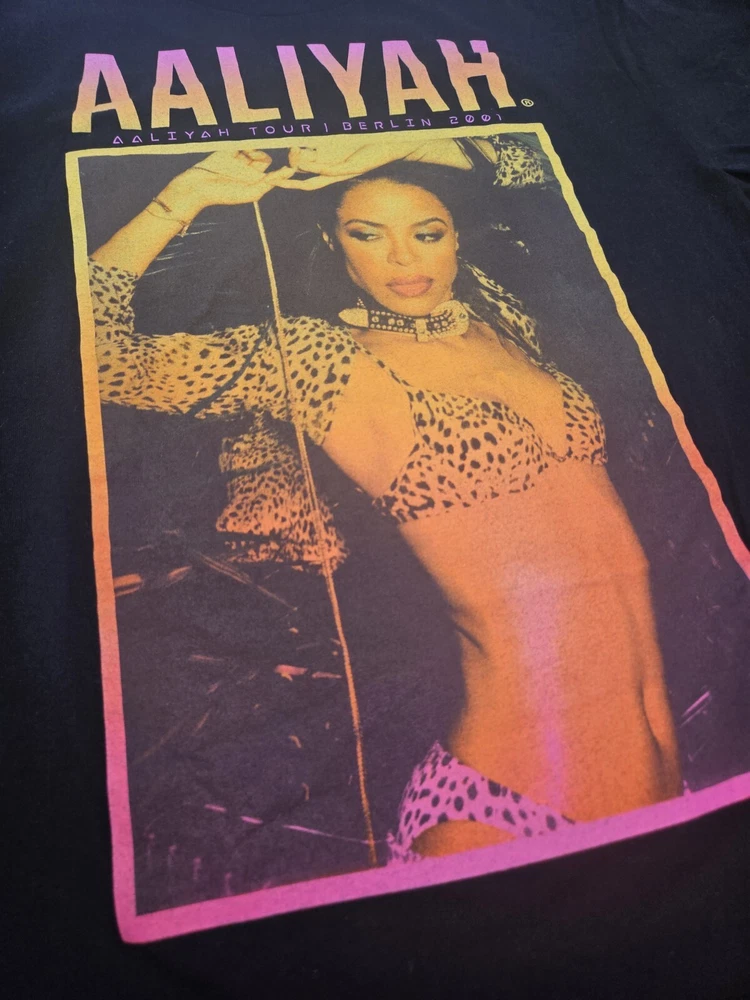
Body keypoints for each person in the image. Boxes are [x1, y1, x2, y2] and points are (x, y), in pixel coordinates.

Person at [88, 136, 683, 864]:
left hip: (662, 771)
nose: (403, 259)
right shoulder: (318, 360)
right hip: (514, 799)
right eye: (367, 235)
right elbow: (98, 358)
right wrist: (181, 199)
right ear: (332, 244)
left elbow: (557, 177)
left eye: (426, 233)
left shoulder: (503, 318)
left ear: (458, 238)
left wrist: (415, 141)